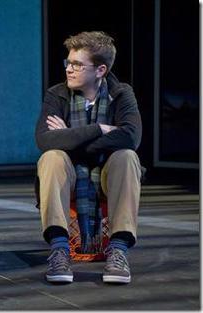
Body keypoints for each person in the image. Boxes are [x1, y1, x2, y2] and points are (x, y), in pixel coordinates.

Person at [35, 31, 142, 284]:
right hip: (70, 173)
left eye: (77, 65)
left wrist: (70, 137)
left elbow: (130, 138)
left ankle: (118, 250)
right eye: (68, 63)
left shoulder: (121, 93)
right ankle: (60, 249)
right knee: (52, 157)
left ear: (100, 70)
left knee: (126, 157)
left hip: (108, 172)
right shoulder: (56, 94)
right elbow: (44, 140)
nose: (69, 70)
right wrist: (98, 130)